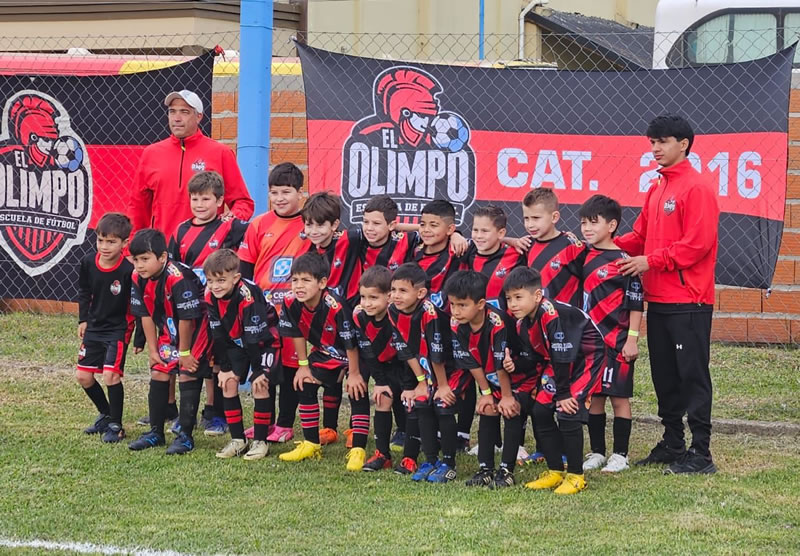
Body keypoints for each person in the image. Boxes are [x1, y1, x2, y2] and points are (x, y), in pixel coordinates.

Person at [616, 114, 720, 475]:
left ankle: (701, 453)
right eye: (652, 143)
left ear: (684, 144)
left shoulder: (697, 187)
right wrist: (603, 245)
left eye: (662, 142)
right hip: (657, 300)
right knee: (665, 375)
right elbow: (638, 237)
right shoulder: (657, 188)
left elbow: (698, 245)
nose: (656, 149)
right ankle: (674, 443)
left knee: (691, 375)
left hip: (689, 301)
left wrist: (650, 261)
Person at [504, 267, 605, 495]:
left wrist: (564, 394)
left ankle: (576, 476)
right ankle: (555, 471)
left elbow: (563, 355)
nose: (513, 304)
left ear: (537, 296)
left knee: (567, 411)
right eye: (509, 298)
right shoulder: (521, 323)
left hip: (585, 358)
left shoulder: (551, 314)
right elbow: (536, 357)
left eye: (519, 297)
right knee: (540, 412)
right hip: (559, 361)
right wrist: (515, 365)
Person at [168, 170, 249, 437]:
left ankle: (215, 413)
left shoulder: (231, 227)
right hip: (188, 307)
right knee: (187, 357)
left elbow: (253, 240)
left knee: (216, 361)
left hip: (220, 304)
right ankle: (185, 414)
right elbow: (172, 267)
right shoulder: (181, 230)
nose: (200, 205)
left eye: (206, 199)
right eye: (195, 199)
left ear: (220, 201)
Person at [239, 162, 311, 445]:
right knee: (265, 367)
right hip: (264, 312)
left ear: (300, 193)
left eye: (286, 192)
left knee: (293, 367)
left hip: (295, 311)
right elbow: (245, 269)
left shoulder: (310, 223)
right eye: (274, 192)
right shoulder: (259, 224)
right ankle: (265, 422)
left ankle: (284, 423)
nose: (280, 198)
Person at [277, 252, 369, 471]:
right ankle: (311, 444)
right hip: (326, 351)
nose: (299, 286)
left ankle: (358, 449)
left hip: (356, 352)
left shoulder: (336, 306)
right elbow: (296, 332)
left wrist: (354, 373)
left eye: (306, 280)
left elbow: (351, 342)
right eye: (295, 280)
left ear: (322, 283)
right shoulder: (290, 302)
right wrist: (303, 366)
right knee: (304, 382)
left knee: (357, 390)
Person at [446, 271, 538, 489]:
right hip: (492, 378)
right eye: (452, 305)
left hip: (519, 377)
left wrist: (506, 397)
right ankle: (485, 469)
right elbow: (472, 362)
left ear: (480, 304)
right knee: (487, 409)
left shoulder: (497, 322)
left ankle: (506, 470)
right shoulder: (456, 324)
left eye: (462, 305)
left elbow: (501, 362)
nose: (456, 311)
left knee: (509, 410)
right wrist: (486, 393)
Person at [127, 228, 211, 455]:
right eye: (135, 260)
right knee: (159, 371)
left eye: (145, 259)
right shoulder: (137, 277)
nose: (139, 265)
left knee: (187, 372)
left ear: (162, 257)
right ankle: (156, 432)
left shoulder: (178, 278)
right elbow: (144, 314)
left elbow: (187, 319)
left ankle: (185, 436)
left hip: (197, 330)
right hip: (169, 328)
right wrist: (153, 350)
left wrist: (184, 353)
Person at [519, 187, 587, 463]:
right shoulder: (526, 247)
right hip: (536, 333)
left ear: (555, 216)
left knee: (563, 389)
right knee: (538, 389)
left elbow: (591, 277)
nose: (531, 225)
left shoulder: (572, 246)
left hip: (566, 333)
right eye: (526, 219)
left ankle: (569, 449)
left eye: (536, 218)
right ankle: (544, 446)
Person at [128, 90, 254, 238]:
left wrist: (225, 226)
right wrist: (131, 246)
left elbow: (243, 202)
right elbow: (138, 205)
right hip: (161, 248)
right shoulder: (151, 153)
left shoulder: (221, 152)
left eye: (184, 112)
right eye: (172, 112)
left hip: (204, 248)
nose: (177, 118)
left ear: (198, 116)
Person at [578, 195, 644, 473]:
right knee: (594, 398)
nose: (587, 228)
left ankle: (620, 455)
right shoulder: (581, 255)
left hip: (616, 342)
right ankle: (597, 452)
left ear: (612, 225)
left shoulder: (624, 262)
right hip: (588, 344)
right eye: (583, 223)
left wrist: (631, 339)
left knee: (619, 398)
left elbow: (637, 303)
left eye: (594, 222)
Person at [389, 263, 468, 483]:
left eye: (403, 291)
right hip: (427, 368)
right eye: (393, 290)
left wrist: (442, 386)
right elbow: (406, 350)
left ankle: (449, 464)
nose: (396, 296)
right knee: (421, 401)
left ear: (421, 293)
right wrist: (421, 382)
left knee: (442, 405)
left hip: (454, 367)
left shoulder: (429, 312)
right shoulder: (392, 310)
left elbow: (438, 354)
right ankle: (431, 461)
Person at [204, 249, 280, 461]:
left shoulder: (248, 294)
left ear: (236, 278)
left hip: (264, 342)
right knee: (228, 382)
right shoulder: (209, 295)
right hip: (236, 342)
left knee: (260, 384)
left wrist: (258, 370)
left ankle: (261, 441)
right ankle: (238, 440)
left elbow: (255, 337)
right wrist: (225, 368)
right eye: (210, 281)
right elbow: (217, 334)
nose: (215, 286)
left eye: (221, 280)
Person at [75, 212, 135, 443]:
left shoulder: (128, 270)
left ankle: (116, 425)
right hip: (94, 328)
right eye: (101, 240)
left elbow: (135, 305)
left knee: (111, 376)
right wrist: (83, 320)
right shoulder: (88, 262)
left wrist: (135, 336)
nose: (105, 246)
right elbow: (84, 292)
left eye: (112, 242)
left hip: (118, 329)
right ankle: (105, 413)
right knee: (84, 377)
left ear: (124, 244)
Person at [352, 266, 418, 471]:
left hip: (409, 369)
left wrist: (409, 386)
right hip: (385, 369)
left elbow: (408, 354)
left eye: (373, 297)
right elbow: (368, 352)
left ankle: (410, 457)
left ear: (389, 297)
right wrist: (379, 382)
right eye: (363, 297)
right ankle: (382, 454)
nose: (366, 303)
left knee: (411, 404)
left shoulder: (399, 316)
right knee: (382, 399)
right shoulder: (359, 317)